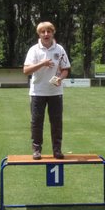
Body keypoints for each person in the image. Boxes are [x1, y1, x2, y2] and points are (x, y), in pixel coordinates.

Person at [23, 21, 71, 160]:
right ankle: (36, 150)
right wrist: (42, 63)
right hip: (38, 92)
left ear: (52, 33)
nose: (46, 34)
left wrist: (60, 78)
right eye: (43, 32)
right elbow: (26, 70)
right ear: (39, 34)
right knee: (36, 122)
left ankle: (57, 150)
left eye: (48, 31)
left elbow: (66, 69)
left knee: (57, 122)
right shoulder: (34, 50)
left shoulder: (59, 49)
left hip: (55, 92)